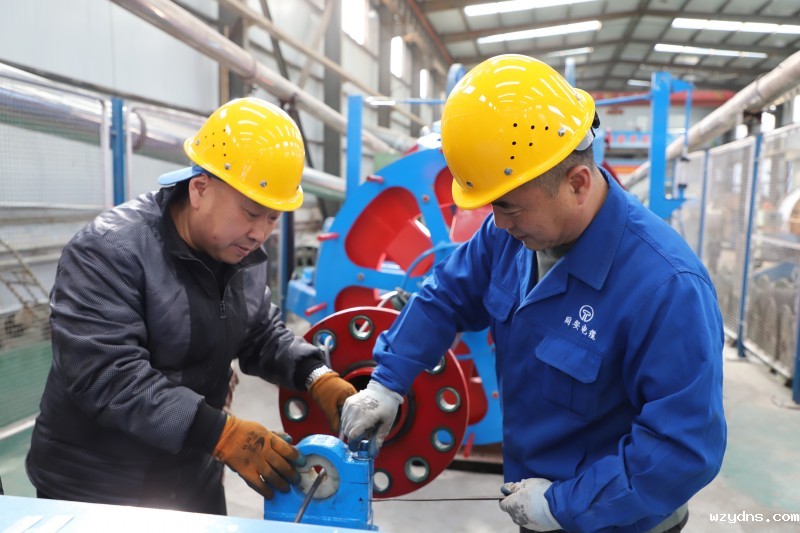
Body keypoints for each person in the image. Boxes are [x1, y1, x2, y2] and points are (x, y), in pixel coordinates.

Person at [341, 54, 726, 533]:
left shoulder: (667, 288)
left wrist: (562, 505)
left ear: (577, 184)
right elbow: (445, 295)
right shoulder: (509, 235)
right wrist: (387, 381)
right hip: (535, 505)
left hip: (617, 522)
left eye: (509, 207)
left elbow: (682, 451)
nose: (498, 223)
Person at [26, 97, 356, 514]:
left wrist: (317, 375)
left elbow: (260, 332)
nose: (260, 234)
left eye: (273, 218)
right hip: (100, 486)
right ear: (200, 188)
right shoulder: (109, 251)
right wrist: (222, 434)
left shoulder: (241, 254)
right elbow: (107, 375)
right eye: (252, 212)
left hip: (192, 476)